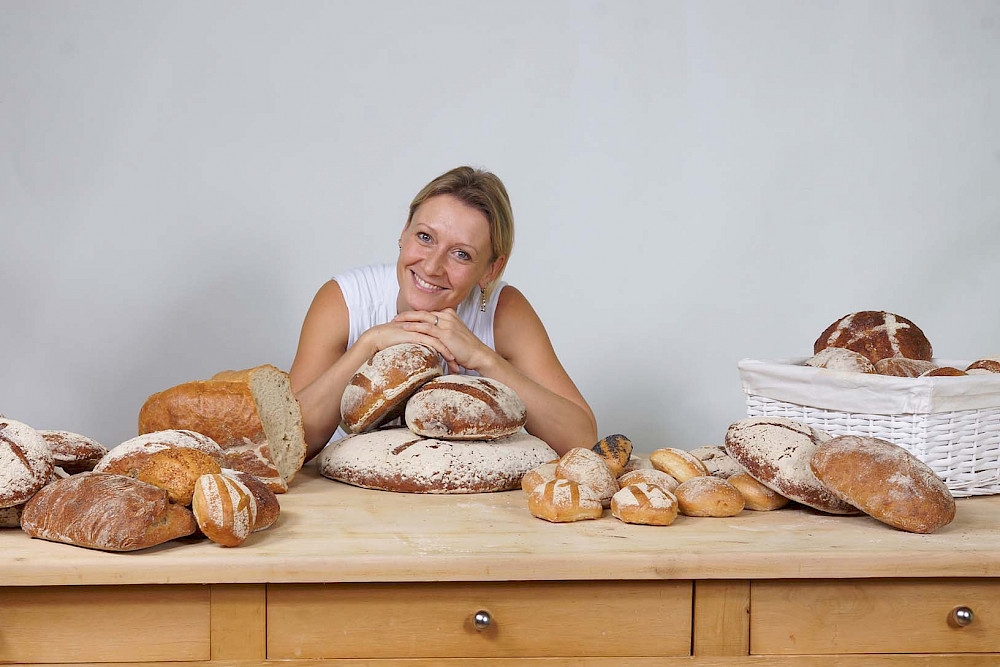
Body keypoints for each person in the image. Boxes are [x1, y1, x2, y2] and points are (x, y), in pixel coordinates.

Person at [290, 166, 597, 459]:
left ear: (491, 270)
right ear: (404, 230)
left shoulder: (506, 311)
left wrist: (482, 357)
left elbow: (581, 439)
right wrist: (369, 343)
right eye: (425, 237)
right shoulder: (346, 300)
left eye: (461, 254)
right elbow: (285, 444)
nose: (432, 267)